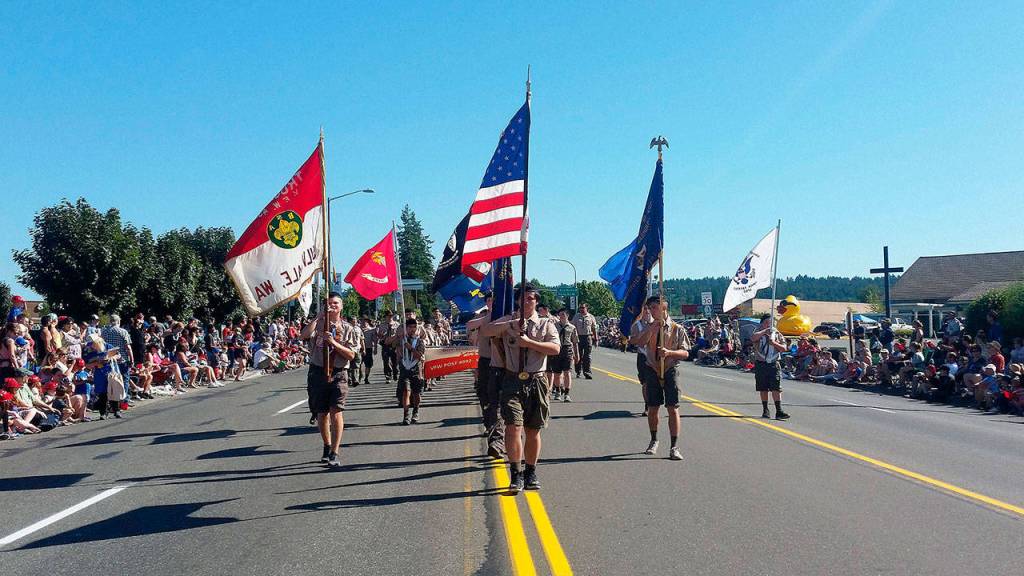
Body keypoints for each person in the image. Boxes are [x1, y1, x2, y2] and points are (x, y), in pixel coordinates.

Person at [481, 284, 560, 493]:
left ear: (536, 301)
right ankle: (515, 472)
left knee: (533, 430)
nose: (526, 302)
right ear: (516, 300)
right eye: (523, 298)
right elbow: (486, 331)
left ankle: (531, 471)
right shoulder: (509, 321)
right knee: (512, 427)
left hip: (537, 381)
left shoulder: (546, 324)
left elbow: (555, 348)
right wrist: (510, 323)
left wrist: (530, 343)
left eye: (531, 299)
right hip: (512, 379)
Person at [301, 292, 358, 468]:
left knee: (336, 411)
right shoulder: (318, 325)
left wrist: (334, 343)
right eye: (329, 303)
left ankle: (335, 451)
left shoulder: (348, 328)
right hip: (318, 371)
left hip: (339, 373)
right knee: (322, 413)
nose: (332, 306)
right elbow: (303, 336)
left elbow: (351, 355)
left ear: (341, 306)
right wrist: (318, 317)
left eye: (335, 303)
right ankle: (326, 445)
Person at [633, 296, 689, 461]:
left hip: (670, 369)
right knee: (653, 408)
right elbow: (640, 343)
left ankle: (674, 446)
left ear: (663, 308)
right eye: (649, 308)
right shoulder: (649, 327)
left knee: (673, 408)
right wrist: (651, 330)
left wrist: (670, 353)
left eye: (654, 307)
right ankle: (654, 440)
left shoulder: (676, 328)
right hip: (652, 369)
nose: (651, 311)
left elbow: (685, 352)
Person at [466, 292, 505, 458]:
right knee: (484, 396)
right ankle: (489, 423)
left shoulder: (504, 316)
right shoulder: (483, 318)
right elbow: (469, 326)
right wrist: (486, 318)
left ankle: (498, 435)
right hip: (485, 360)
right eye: (488, 300)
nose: (491, 303)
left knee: (498, 399)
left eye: (493, 300)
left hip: (500, 363)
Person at [752, 316, 791, 420]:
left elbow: (784, 348)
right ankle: (765, 409)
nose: (769, 324)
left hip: (774, 363)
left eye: (770, 322)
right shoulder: (758, 332)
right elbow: (753, 338)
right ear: (762, 323)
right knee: (763, 387)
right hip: (761, 363)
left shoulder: (777, 334)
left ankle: (779, 410)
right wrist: (764, 331)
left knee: (776, 387)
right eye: (766, 322)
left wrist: (773, 342)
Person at [390, 318, 425, 425]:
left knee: (416, 393)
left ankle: (416, 410)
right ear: (406, 328)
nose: (412, 329)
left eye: (414, 327)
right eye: (410, 327)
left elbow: (419, 355)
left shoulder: (419, 341)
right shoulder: (402, 340)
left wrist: (410, 348)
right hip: (405, 369)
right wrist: (398, 337)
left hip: (415, 370)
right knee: (406, 391)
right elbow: (390, 343)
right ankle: (406, 415)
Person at [629, 308, 655, 416]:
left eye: (649, 310)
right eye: (645, 311)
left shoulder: (657, 324)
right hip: (643, 356)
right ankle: (647, 406)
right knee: (645, 383)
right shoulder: (637, 325)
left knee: (655, 383)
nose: (647, 313)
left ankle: (655, 404)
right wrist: (641, 335)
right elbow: (632, 341)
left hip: (655, 356)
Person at [550, 308, 580, 402]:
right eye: (560, 314)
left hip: (567, 350)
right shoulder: (554, 326)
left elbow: (575, 342)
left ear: (567, 315)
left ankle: (567, 394)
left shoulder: (572, 327)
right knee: (557, 374)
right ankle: (558, 391)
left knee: (567, 372)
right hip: (557, 349)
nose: (561, 316)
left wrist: (577, 354)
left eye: (563, 314)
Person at [572, 303, 598, 379]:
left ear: (587, 308)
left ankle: (587, 372)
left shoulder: (591, 317)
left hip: (588, 337)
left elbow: (594, 328)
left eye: (583, 308)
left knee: (587, 356)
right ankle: (578, 371)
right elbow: (573, 327)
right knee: (578, 355)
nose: (581, 309)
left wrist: (596, 339)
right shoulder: (576, 316)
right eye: (580, 308)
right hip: (578, 337)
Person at [377, 311, 400, 384]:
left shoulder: (397, 324)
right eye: (388, 316)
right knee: (386, 361)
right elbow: (379, 336)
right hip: (385, 344)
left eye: (391, 316)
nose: (390, 317)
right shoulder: (382, 325)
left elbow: (399, 333)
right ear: (385, 317)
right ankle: (388, 375)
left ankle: (395, 373)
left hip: (394, 344)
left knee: (395, 361)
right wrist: (380, 335)